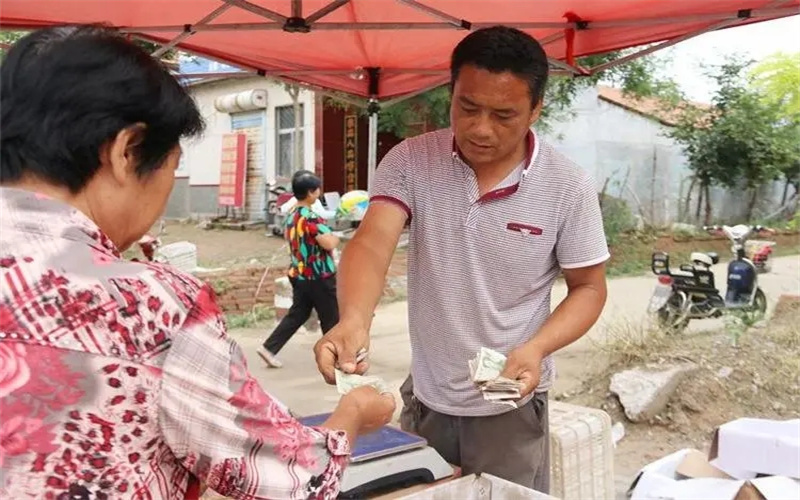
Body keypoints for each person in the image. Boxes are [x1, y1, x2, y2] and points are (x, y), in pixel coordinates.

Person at [0, 26, 395, 500]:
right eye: (172, 166)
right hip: (314, 277)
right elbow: (288, 475)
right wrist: (352, 414)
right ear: (128, 152)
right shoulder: (151, 306)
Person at [313, 26, 609, 493]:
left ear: (536, 110)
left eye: (504, 115)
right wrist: (353, 319)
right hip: (428, 398)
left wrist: (536, 348)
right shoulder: (411, 161)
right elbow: (372, 241)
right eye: (467, 107)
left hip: (509, 409)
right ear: (451, 93)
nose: (480, 128)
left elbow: (589, 288)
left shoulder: (567, 187)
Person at [258, 170, 340, 368]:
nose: (319, 192)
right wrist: (336, 236)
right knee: (331, 317)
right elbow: (328, 243)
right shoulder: (311, 218)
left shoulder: (292, 216)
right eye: (317, 189)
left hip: (299, 274)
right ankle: (337, 358)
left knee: (298, 314)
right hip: (319, 275)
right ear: (312, 192)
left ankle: (269, 348)